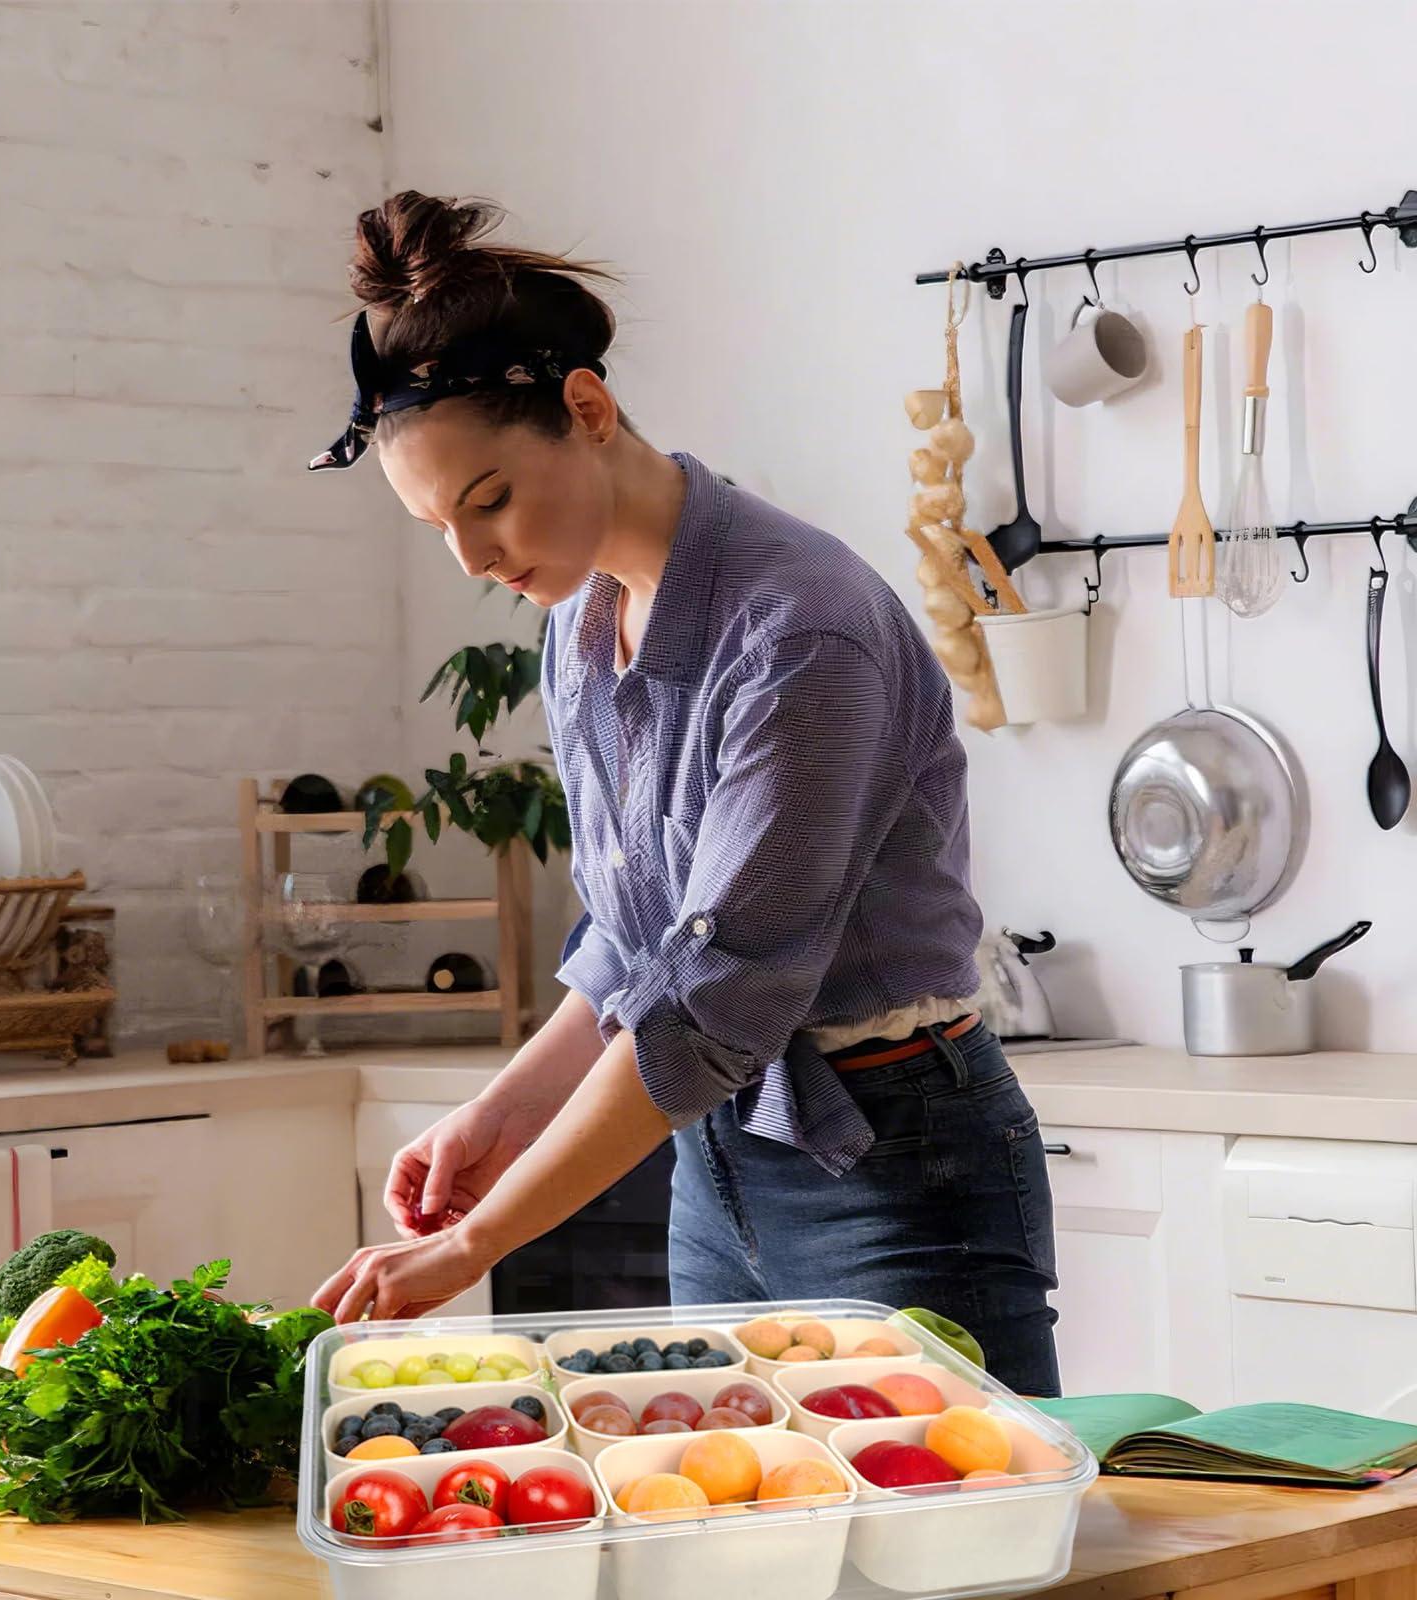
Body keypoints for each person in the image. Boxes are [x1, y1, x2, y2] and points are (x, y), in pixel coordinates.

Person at [308, 191, 1060, 1396]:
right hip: (713, 1156)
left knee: (960, 1552)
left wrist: (475, 1242)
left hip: (895, 1156)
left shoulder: (801, 629)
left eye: (489, 499)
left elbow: (715, 998)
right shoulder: (582, 619)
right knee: (741, 1531)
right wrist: (497, 1120)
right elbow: (634, 937)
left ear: (587, 410)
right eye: (438, 524)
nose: (474, 557)